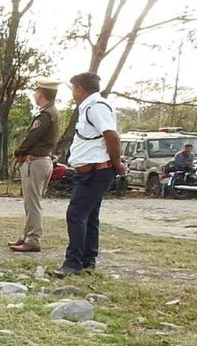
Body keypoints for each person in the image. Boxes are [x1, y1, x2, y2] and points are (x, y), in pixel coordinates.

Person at [52, 72, 127, 278]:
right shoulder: (89, 107)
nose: (72, 93)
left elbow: (111, 136)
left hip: (96, 171)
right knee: (90, 216)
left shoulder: (96, 107)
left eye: (73, 89)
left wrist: (117, 163)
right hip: (89, 172)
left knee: (75, 215)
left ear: (79, 89)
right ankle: (87, 260)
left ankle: (73, 263)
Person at [9, 78, 61, 252]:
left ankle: (33, 239)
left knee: (32, 203)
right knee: (30, 202)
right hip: (42, 161)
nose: (34, 95)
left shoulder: (45, 115)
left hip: (36, 162)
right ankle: (26, 235)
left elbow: (32, 138)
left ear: (41, 93)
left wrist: (17, 152)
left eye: (36, 91)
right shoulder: (52, 112)